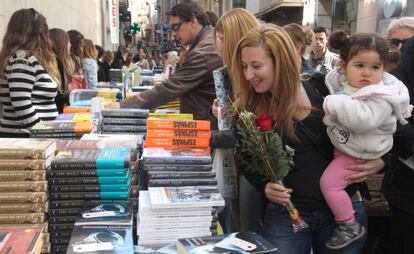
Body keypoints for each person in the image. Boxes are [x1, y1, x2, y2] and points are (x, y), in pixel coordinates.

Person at [229, 24, 385, 254]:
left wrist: (381, 161)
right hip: (287, 215)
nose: (248, 75)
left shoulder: (324, 87)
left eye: (256, 66)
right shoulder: (247, 109)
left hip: (344, 215)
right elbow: (245, 157)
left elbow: (382, 123)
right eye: (244, 66)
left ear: (280, 61)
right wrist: (265, 186)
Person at [320, 33, 411, 250]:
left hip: (361, 150)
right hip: (352, 147)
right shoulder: (353, 85)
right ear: (344, 65)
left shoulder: (381, 94)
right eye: (360, 65)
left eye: (375, 67)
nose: (367, 73)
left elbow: (363, 120)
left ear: (384, 68)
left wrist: (333, 104)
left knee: (329, 184)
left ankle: (348, 224)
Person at [106, 1, 222, 126]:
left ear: (193, 22)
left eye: (175, 27)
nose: (173, 35)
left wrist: (123, 106)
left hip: (208, 128)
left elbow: (171, 87)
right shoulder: (206, 42)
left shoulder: (203, 51)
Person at [211, 8, 261, 233]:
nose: (218, 45)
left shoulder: (252, 76)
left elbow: (248, 127)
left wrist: (211, 136)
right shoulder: (228, 73)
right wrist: (221, 114)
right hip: (238, 165)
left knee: (247, 231)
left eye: (221, 38)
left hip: (254, 169)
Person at [0, 8, 60, 137]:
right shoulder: (23, 61)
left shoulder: (24, 59)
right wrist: (42, 132)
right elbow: (21, 103)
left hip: (29, 136)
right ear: (38, 32)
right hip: (25, 138)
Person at [382, 20, 414, 254]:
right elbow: (388, 120)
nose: (400, 48)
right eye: (395, 42)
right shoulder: (386, 75)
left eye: (406, 42)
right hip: (405, 190)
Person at [49, 28, 73, 113]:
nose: (70, 44)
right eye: (67, 41)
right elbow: (58, 94)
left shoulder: (61, 61)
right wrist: (70, 94)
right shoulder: (55, 61)